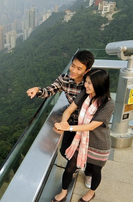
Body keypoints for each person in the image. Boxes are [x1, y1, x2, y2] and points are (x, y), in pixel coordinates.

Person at [26, 50, 95, 188]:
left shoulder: (90, 84)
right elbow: (50, 90)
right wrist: (38, 90)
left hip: (87, 123)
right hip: (70, 120)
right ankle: (75, 165)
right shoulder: (65, 79)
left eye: (79, 68)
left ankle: (89, 173)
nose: (73, 70)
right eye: (73, 65)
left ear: (87, 70)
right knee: (65, 150)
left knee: (89, 153)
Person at [51, 69, 114, 202]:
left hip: (99, 144)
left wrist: (69, 128)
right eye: (86, 82)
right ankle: (63, 192)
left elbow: (92, 126)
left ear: (99, 84)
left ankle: (91, 192)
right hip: (81, 141)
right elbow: (69, 110)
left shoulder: (108, 104)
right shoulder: (85, 94)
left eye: (89, 83)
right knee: (70, 167)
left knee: (95, 170)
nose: (85, 85)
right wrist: (64, 122)